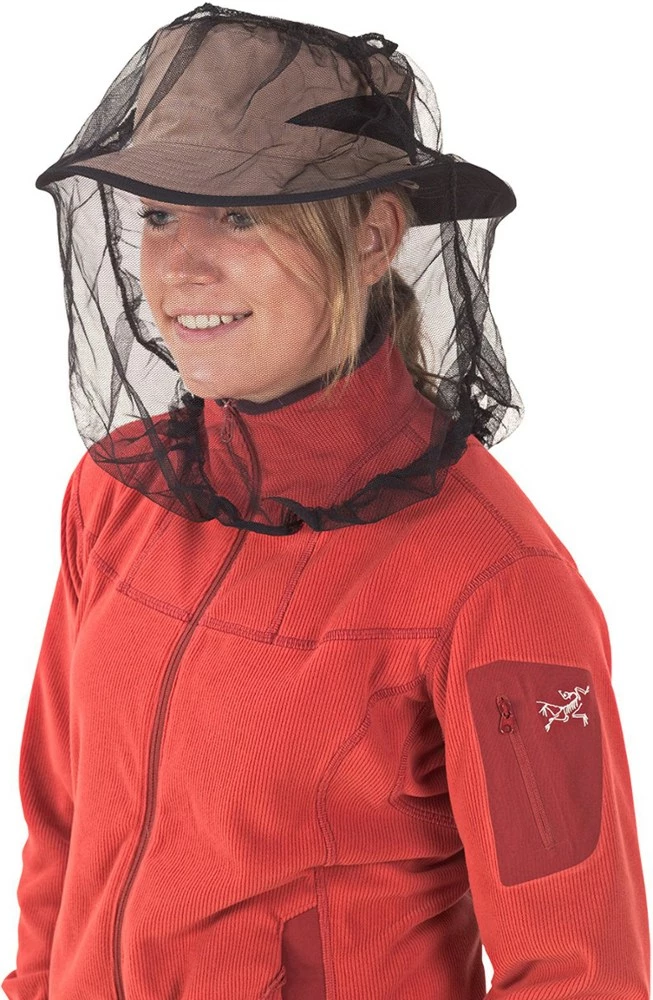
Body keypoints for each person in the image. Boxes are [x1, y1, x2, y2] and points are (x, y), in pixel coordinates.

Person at [3, 5, 650, 999]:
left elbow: (579, 970)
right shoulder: (116, 497)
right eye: (160, 216)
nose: (181, 266)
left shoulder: (497, 583)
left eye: (240, 215)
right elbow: (59, 826)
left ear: (372, 236)